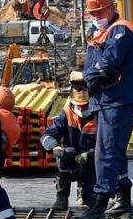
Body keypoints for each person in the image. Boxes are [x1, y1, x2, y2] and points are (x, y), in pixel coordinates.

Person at [74, 0, 133, 219]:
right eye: (92, 14)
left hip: (117, 101)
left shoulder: (120, 30)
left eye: (99, 13)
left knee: (107, 153)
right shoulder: (103, 33)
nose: (95, 17)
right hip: (105, 101)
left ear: (112, 8)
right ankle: (123, 200)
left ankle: (100, 205)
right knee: (115, 153)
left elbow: (110, 62)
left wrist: (86, 76)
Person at [41, 72, 98, 211]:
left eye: (85, 106)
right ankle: (61, 197)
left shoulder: (98, 116)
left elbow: (105, 144)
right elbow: (47, 135)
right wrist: (54, 146)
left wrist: (89, 155)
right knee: (67, 153)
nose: (81, 110)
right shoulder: (67, 114)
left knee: (91, 200)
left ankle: (85, 193)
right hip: (69, 159)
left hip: (90, 162)